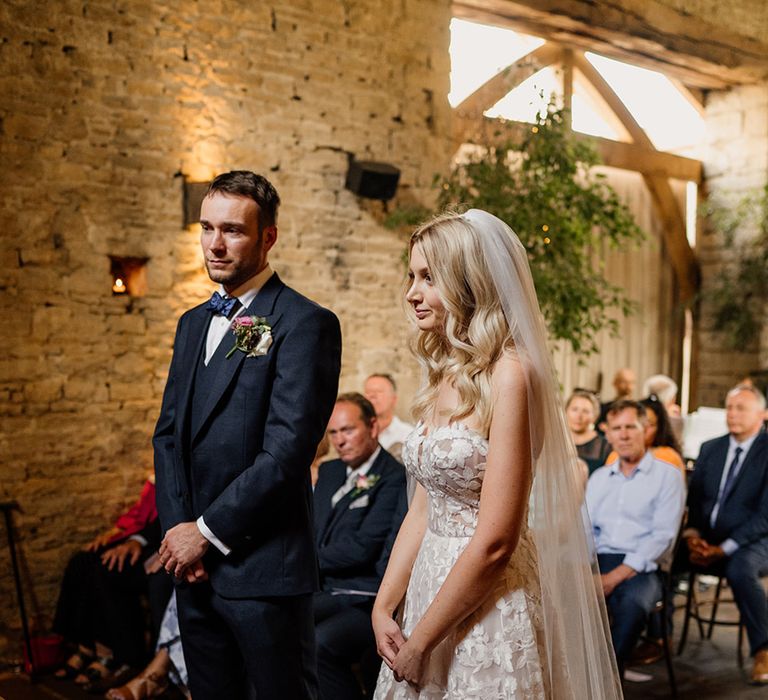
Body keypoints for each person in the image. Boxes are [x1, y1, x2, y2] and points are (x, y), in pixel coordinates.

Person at [371, 210, 621, 698]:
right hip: (429, 585)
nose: (411, 293)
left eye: (428, 278)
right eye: (411, 276)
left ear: (466, 283)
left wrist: (421, 642)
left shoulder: (512, 373)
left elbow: (496, 541)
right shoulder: (444, 370)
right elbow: (423, 508)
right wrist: (385, 606)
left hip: (488, 596)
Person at [153, 170, 342, 699]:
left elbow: (285, 454)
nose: (215, 243)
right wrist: (177, 537)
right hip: (192, 570)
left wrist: (205, 533)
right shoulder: (192, 323)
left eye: (232, 230)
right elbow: (167, 436)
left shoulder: (305, 323)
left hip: (264, 571)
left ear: (268, 237)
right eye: (206, 227)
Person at [314, 393, 406, 700]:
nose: (340, 441)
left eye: (348, 430)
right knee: (266, 621)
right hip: (320, 587)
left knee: (319, 643)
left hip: (362, 596)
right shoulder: (329, 472)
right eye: (333, 433)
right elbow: (313, 530)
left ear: (373, 427)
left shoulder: (393, 477)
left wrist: (306, 560)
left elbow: (363, 547)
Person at [586, 400, 685, 673]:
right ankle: (577, 679)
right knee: (564, 600)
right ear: (608, 434)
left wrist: (612, 578)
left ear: (646, 430)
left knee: (632, 604)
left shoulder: (668, 476)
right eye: (617, 428)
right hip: (599, 560)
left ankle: (609, 678)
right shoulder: (599, 479)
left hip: (643, 567)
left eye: (631, 426)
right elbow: (586, 531)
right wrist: (581, 572)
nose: (624, 435)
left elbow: (662, 536)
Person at [683, 383, 768, 684]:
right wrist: (692, 536)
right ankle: (659, 635)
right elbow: (693, 501)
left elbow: (765, 516)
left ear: (763, 414)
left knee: (740, 567)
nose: (732, 414)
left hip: (755, 541)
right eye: (729, 407)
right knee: (660, 557)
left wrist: (724, 548)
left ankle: (763, 649)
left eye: (741, 408)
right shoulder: (710, 448)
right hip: (705, 536)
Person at [364, 374, 414, 462]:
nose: (372, 396)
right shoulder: (358, 434)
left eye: (379, 391)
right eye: (368, 392)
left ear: (394, 399)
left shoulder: (409, 435)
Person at [565, 389, 611, 475]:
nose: (579, 416)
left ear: (595, 416)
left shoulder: (605, 446)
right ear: (566, 411)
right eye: (574, 409)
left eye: (585, 411)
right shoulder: (554, 442)